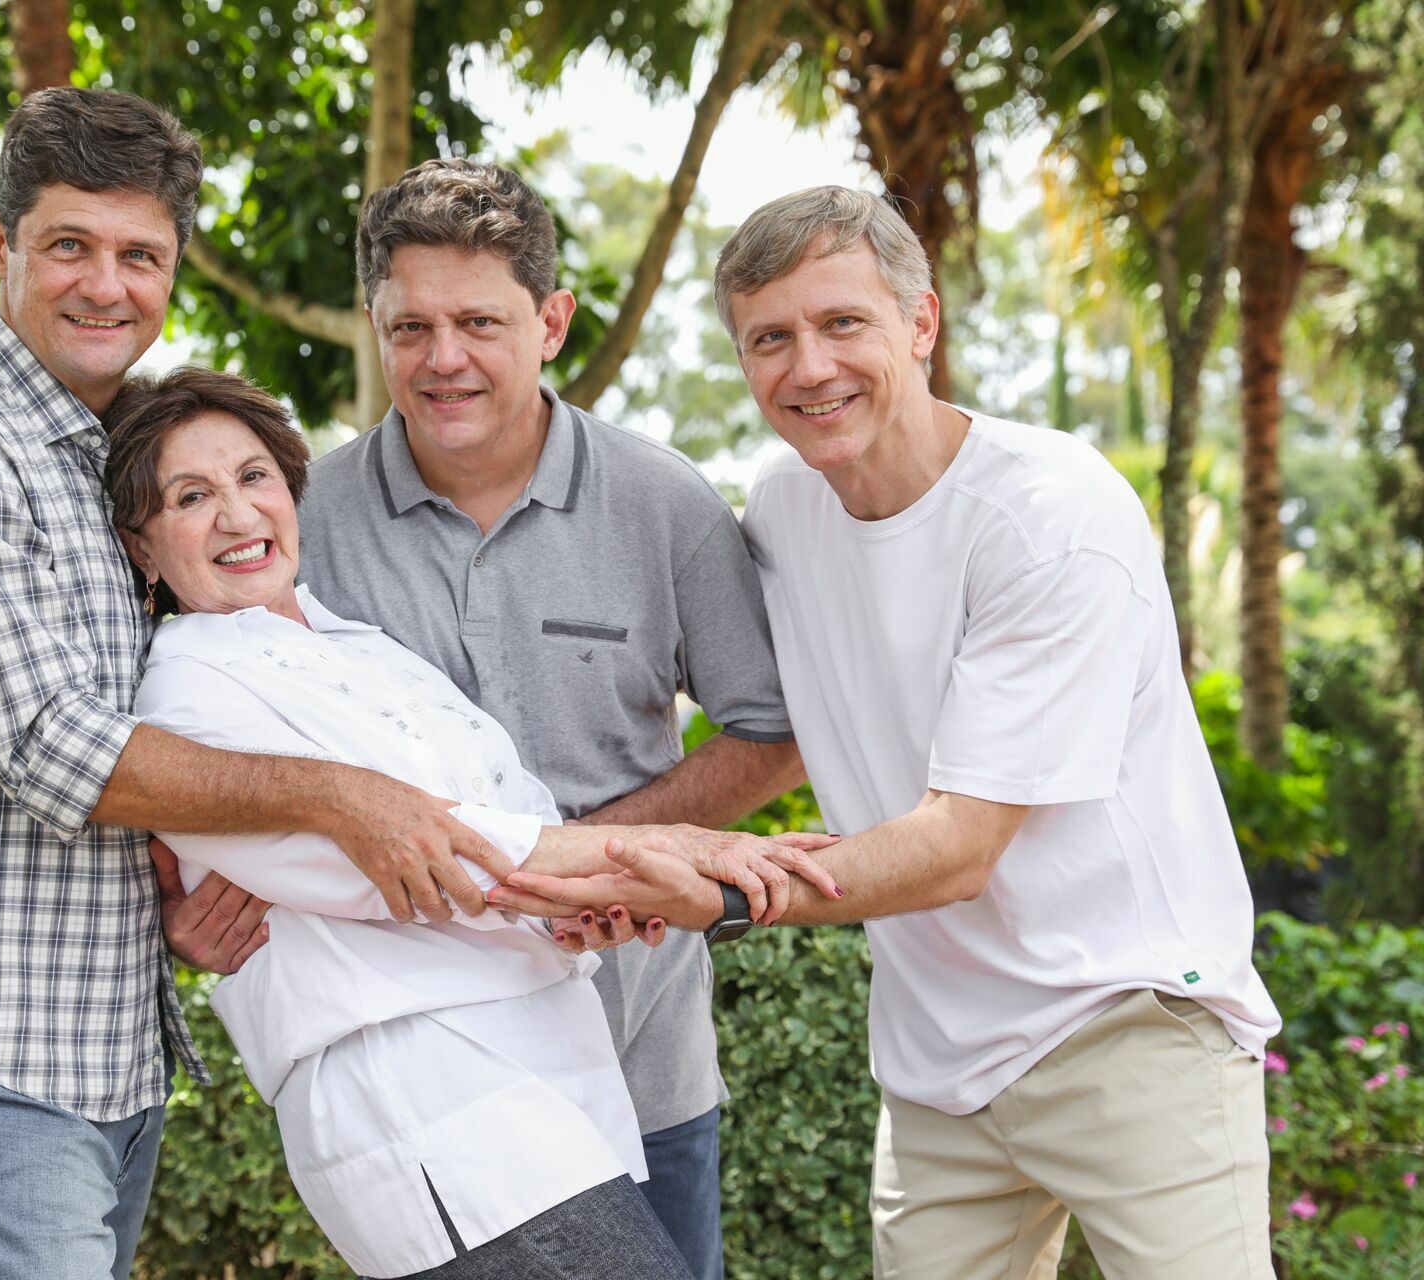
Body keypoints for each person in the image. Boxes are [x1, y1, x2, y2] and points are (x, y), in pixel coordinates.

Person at [495, 186, 1286, 1278]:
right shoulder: (782, 505)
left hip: (1127, 1026)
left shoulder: (1051, 514)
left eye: (842, 323)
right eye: (770, 338)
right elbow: (770, 732)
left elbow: (961, 844)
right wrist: (601, 865)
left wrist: (717, 888)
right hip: (937, 1064)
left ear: (921, 324)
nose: (807, 366)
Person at [0, 88, 523, 1280]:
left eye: (139, 255)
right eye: (68, 247)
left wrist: (166, 905)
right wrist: (343, 797)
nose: (108, 284)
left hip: (106, 1037)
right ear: (1, 246)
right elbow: (55, 744)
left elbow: (111, 756)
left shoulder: (106, 467)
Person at [101, 366, 838, 1279]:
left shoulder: (368, 652)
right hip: (427, 1103)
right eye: (190, 496)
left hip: (554, 1079)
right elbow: (426, 862)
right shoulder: (184, 694)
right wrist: (664, 850)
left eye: (254, 477)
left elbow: (511, 819)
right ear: (142, 546)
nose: (239, 515)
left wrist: (585, 903)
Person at [293, 158, 807, 1280]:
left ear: (552, 321)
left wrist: (605, 855)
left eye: (480, 320)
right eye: (410, 325)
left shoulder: (663, 502)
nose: (443, 359)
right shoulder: (300, 520)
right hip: (425, 1099)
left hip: (644, 1069)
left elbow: (773, 731)